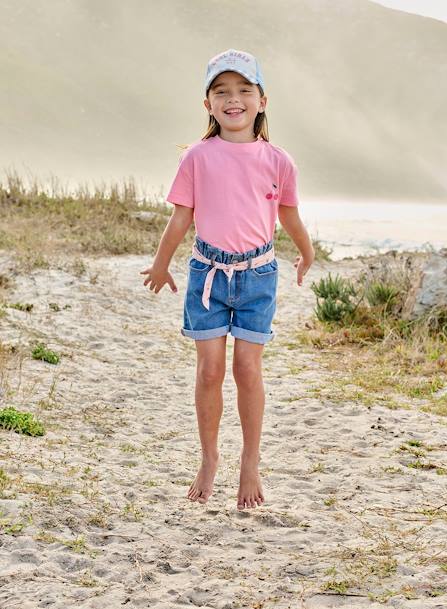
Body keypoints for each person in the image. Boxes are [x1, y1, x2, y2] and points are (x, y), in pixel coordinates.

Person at [140, 48, 315, 510]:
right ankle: (209, 457)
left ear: (262, 100)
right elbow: (181, 219)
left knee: (248, 370)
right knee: (210, 371)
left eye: (243, 90)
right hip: (207, 275)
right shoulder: (197, 157)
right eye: (222, 92)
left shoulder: (279, 161)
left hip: (258, 276)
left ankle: (251, 460)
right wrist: (162, 264)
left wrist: (307, 252)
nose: (232, 99)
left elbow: (290, 217)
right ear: (208, 105)